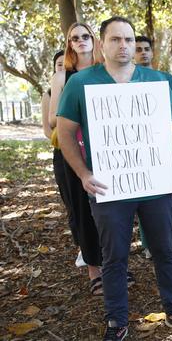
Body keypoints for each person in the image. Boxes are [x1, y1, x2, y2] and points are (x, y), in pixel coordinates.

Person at [56, 16, 172, 340]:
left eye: (128, 40)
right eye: (115, 40)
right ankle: (117, 321)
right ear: (101, 45)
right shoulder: (81, 84)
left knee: (164, 249)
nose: (123, 46)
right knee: (115, 256)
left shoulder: (155, 81)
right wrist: (83, 174)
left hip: (154, 183)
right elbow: (64, 133)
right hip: (109, 186)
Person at [48, 23, 105, 296]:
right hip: (72, 151)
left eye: (85, 36)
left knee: (109, 209)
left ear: (94, 40)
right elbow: (52, 120)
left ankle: (114, 264)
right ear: (69, 44)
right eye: (74, 38)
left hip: (104, 150)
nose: (80, 41)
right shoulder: (62, 77)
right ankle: (95, 270)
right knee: (82, 210)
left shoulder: (106, 70)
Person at [134, 35, 172, 256]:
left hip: (164, 143)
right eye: (138, 49)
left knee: (170, 194)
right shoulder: (126, 80)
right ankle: (148, 244)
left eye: (147, 48)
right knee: (145, 195)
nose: (143, 52)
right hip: (139, 144)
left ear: (152, 52)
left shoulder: (166, 79)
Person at [41, 50, 64, 139]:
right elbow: (47, 131)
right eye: (59, 64)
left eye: (67, 63)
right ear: (54, 67)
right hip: (61, 146)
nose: (63, 67)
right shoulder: (47, 96)